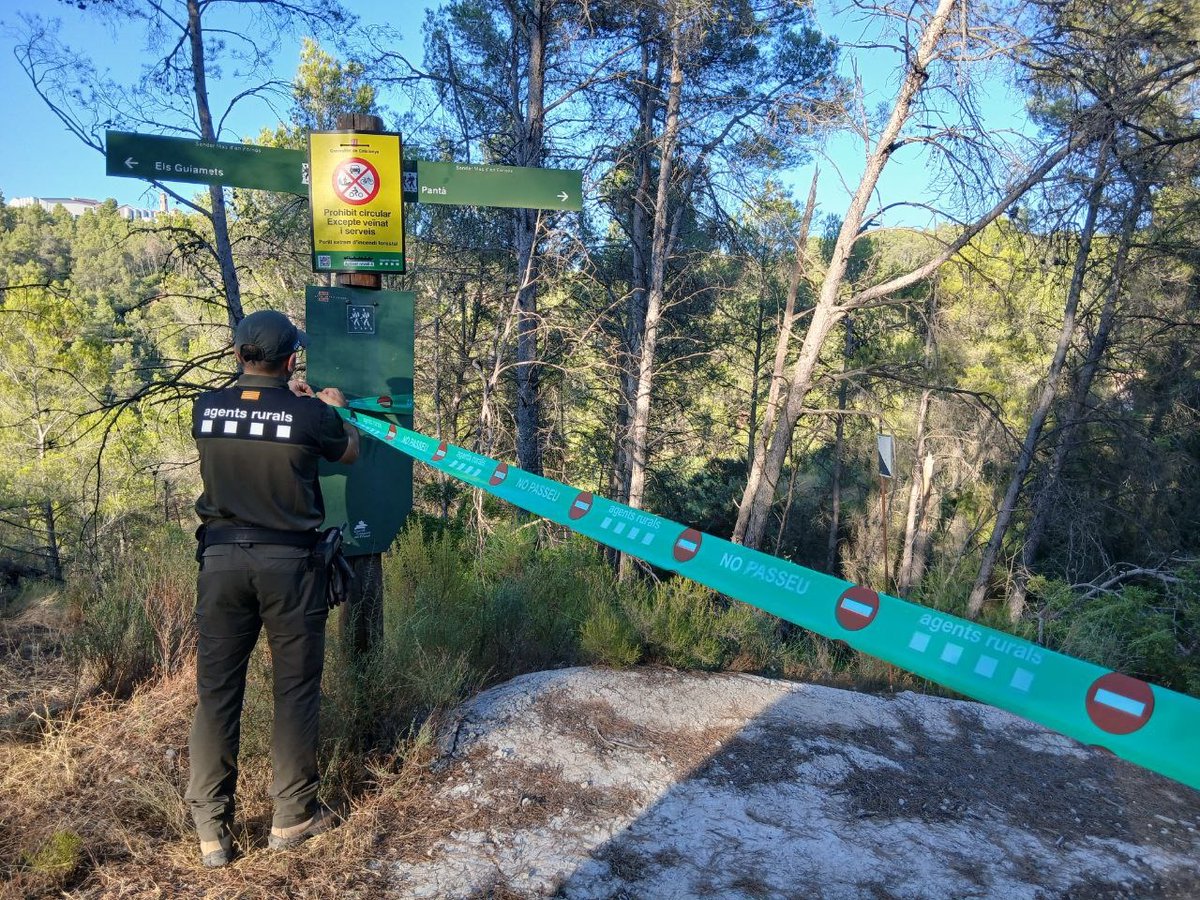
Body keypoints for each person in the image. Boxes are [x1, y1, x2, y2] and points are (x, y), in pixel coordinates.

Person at [186, 309, 359, 867]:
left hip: (220, 565)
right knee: (294, 690)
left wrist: (291, 398)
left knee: (216, 693)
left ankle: (212, 831)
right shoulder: (309, 413)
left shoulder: (205, 408)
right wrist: (333, 409)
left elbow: (254, 420)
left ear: (239, 355)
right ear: (291, 360)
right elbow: (347, 451)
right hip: (291, 568)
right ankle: (291, 817)